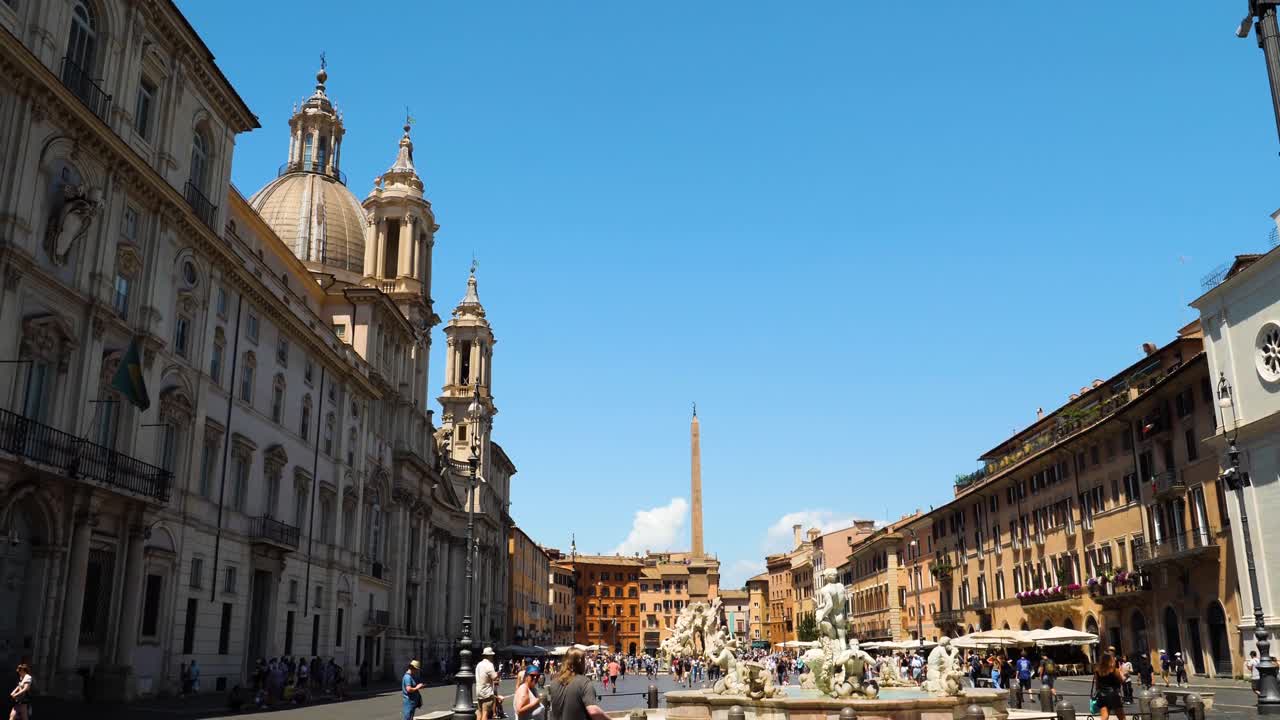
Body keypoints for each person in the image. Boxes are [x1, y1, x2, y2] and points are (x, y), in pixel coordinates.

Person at [549, 649, 609, 720]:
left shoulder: (554, 682)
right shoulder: (584, 682)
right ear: (580, 662)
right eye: (584, 661)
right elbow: (593, 711)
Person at [1092, 652, 1125, 720]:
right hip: (1113, 695)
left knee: (1104, 717)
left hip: (1102, 695)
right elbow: (1121, 681)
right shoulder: (1114, 670)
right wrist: (1121, 673)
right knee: (1121, 717)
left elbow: (1097, 684)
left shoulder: (1098, 671)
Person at [477, 648, 501, 720]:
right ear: (489, 656)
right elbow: (494, 678)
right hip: (486, 692)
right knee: (485, 712)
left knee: (479, 712)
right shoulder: (489, 665)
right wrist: (498, 674)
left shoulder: (479, 664)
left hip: (479, 691)